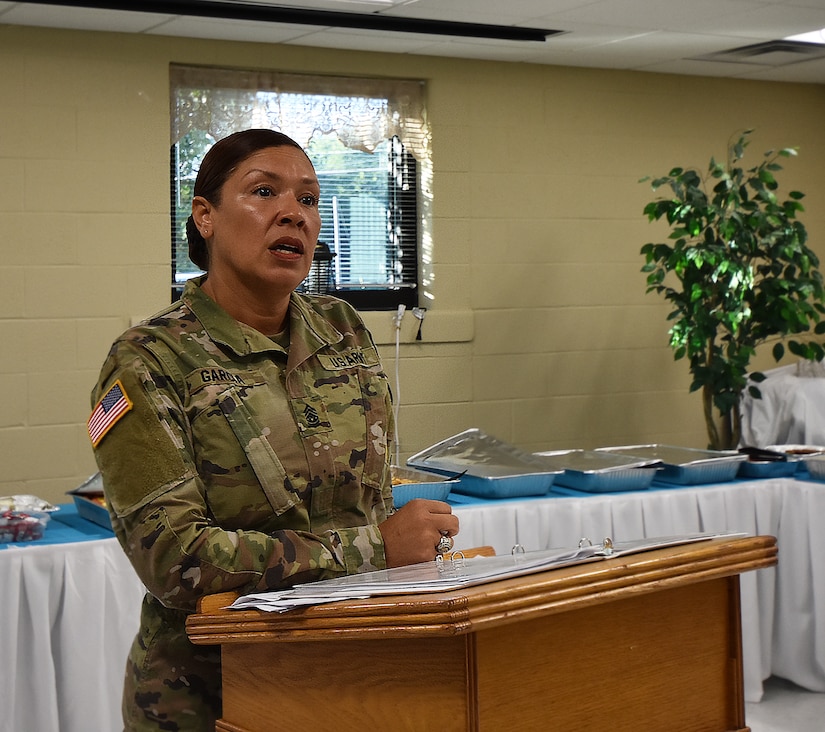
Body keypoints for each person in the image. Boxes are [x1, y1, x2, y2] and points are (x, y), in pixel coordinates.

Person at [88, 128, 459, 731]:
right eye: (264, 192)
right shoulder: (148, 359)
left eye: (309, 200)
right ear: (204, 217)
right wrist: (375, 549)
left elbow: (370, 500)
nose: (294, 213)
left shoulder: (343, 331)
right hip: (212, 695)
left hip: (354, 676)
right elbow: (174, 560)